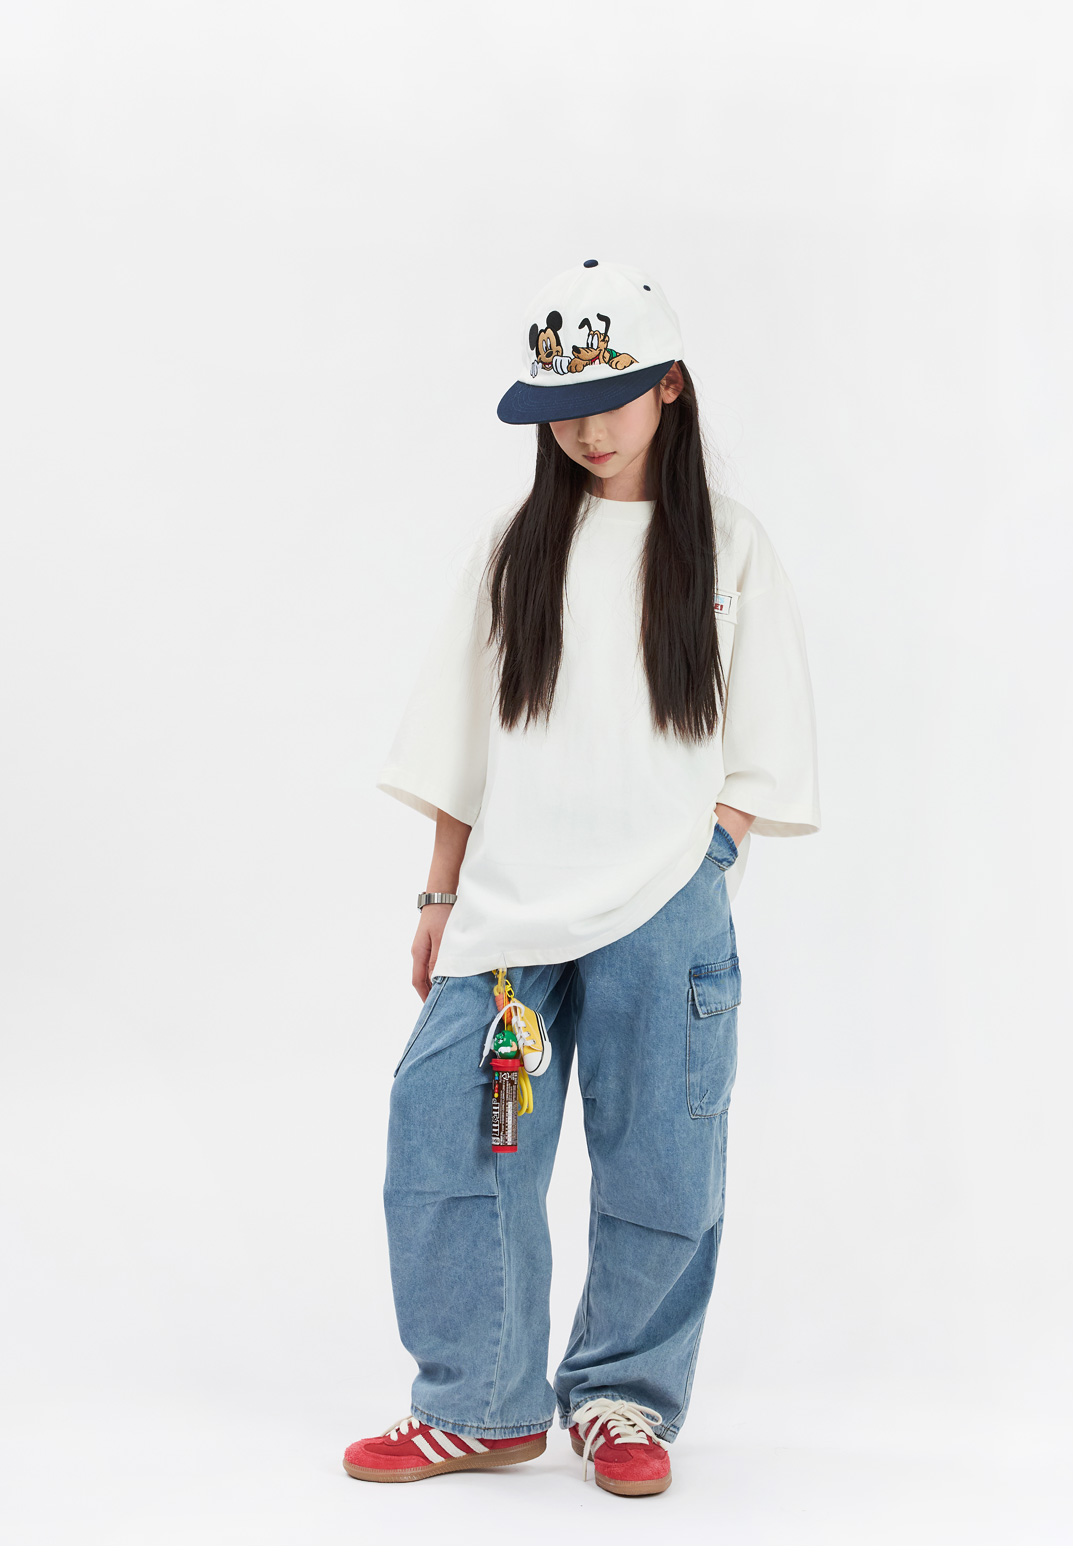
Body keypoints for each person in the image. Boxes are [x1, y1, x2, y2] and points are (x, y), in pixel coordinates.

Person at [343, 259, 820, 1497]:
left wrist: (712, 850)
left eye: (609, 397)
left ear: (670, 387)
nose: (586, 428)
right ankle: (480, 1404)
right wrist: (440, 895)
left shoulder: (729, 547)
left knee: (661, 1155)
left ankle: (621, 1399)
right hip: (511, 906)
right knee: (451, 1133)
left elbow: (765, 737)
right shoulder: (518, 547)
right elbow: (462, 735)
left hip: (667, 896)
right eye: (561, 406)